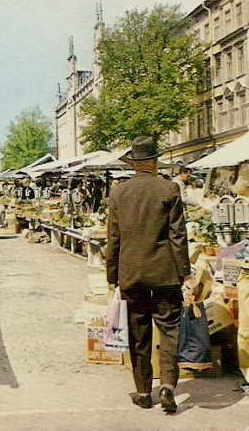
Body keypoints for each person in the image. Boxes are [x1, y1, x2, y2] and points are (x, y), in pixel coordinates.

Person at [106, 136, 193, 413]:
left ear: (133, 163)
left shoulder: (119, 193)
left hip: (132, 276)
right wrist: (186, 274)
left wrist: (111, 277)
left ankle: (144, 392)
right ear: (155, 162)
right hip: (166, 275)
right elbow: (178, 236)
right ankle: (167, 385)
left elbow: (114, 239)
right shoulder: (169, 188)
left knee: (139, 334)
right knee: (169, 331)